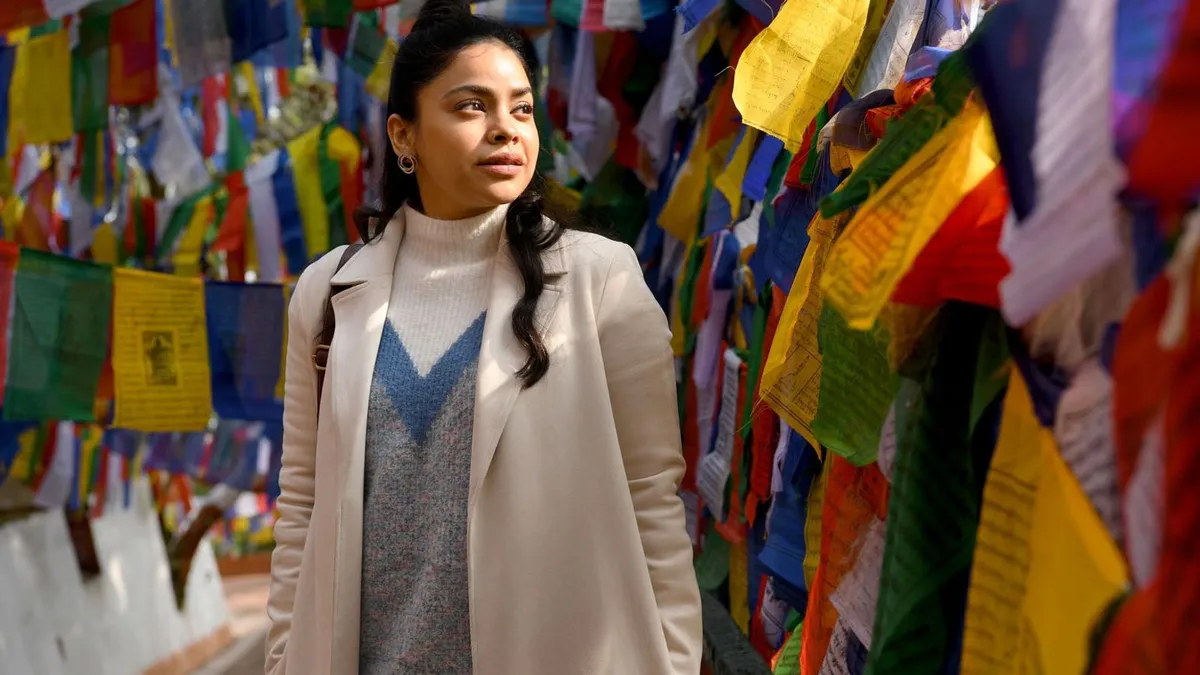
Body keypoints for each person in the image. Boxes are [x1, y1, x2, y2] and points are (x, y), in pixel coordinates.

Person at [264, 1, 702, 673]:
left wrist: (670, 661)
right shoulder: (326, 294)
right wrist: (282, 659)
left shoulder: (599, 280)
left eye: (522, 109)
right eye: (472, 107)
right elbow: (300, 505)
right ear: (404, 137)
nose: (506, 129)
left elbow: (653, 499)